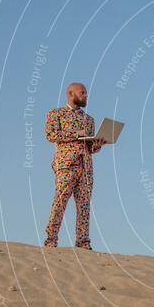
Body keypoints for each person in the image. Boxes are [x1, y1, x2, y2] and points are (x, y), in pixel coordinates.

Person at [43, 82, 105, 249]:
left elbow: (89, 147)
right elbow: (50, 135)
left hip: (86, 166)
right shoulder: (56, 114)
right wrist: (76, 134)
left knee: (84, 204)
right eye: (82, 92)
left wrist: (97, 145)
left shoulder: (89, 120)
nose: (85, 95)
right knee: (60, 200)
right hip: (66, 164)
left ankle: (83, 241)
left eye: (86, 92)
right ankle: (51, 239)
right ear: (71, 94)